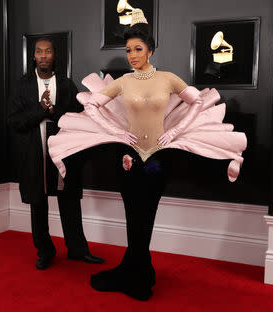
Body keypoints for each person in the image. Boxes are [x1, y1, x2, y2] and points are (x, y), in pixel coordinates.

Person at [48, 9, 247, 300]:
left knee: (147, 216)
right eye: (128, 50)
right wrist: (115, 134)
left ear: (150, 50)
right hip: (128, 158)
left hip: (158, 158)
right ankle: (138, 272)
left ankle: (140, 272)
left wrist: (176, 132)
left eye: (138, 49)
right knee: (133, 217)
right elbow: (92, 106)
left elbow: (197, 102)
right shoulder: (124, 82)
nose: (132, 55)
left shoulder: (167, 79)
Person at [8, 37, 104, 270]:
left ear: (54, 56)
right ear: (34, 56)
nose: (43, 55)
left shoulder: (67, 84)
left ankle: (78, 250)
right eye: (39, 52)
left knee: (69, 199)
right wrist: (39, 111)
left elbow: (78, 118)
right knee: (38, 203)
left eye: (47, 51)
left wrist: (53, 111)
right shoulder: (23, 85)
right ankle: (45, 251)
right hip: (34, 153)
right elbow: (14, 121)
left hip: (64, 151)